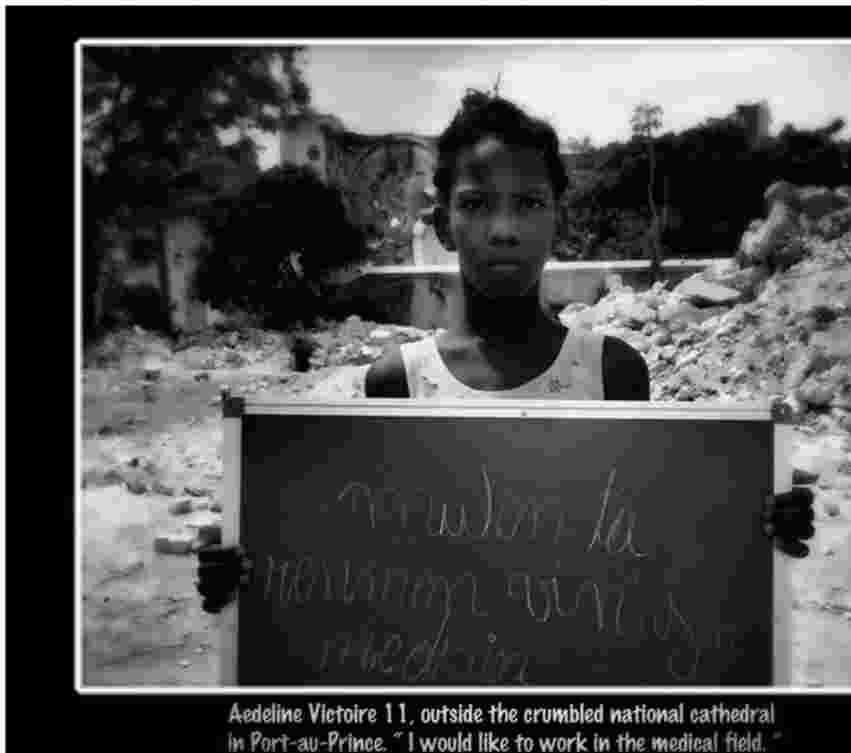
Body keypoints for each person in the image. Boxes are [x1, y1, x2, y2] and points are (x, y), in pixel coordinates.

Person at [197, 92, 813, 613]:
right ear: (442, 225)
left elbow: (651, 540)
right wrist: (250, 575)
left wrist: (755, 527)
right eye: (475, 202)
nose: (503, 228)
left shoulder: (614, 373)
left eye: (529, 203)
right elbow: (373, 561)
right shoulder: (397, 384)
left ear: (557, 220)